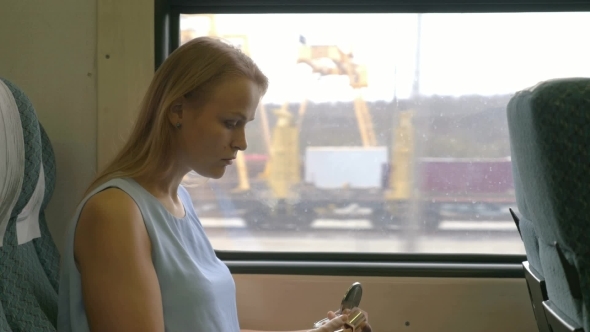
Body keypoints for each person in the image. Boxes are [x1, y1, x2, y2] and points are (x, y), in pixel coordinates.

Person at [57, 36, 372, 332]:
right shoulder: (115, 214)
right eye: (230, 124)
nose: (242, 143)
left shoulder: (179, 202)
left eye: (244, 125)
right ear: (178, 112)